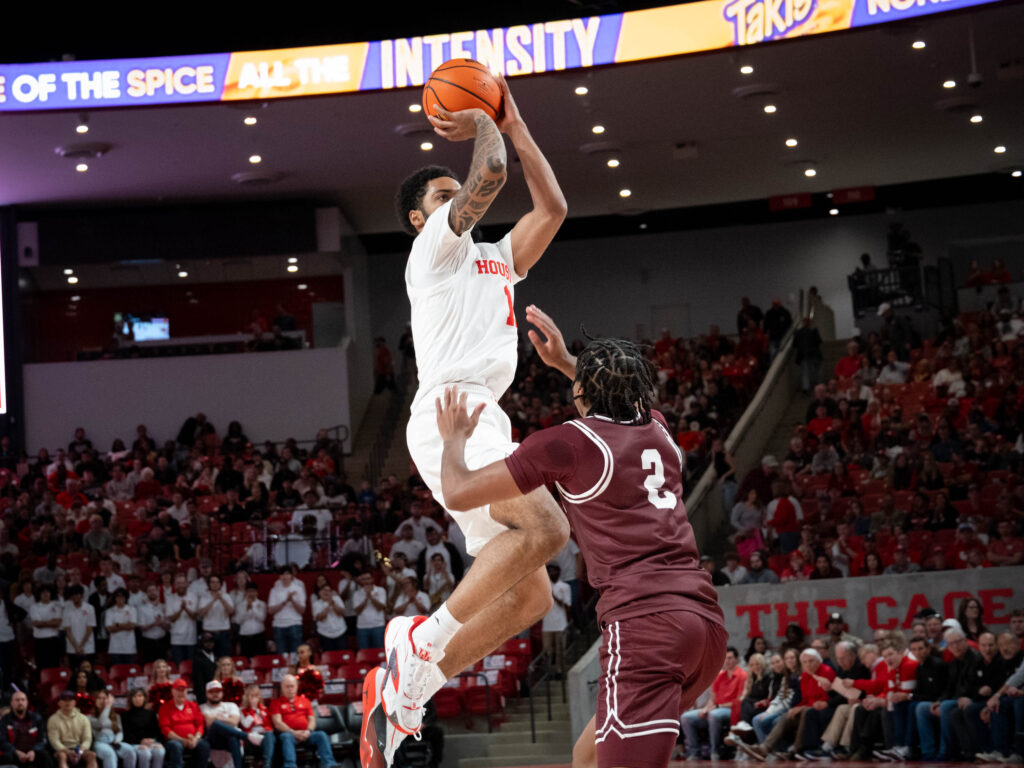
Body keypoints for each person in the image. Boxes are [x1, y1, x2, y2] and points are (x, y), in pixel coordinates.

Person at [371, 306, 726, 768]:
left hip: (646, 627)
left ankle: (424, 646)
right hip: (706, 627)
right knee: (586, 757)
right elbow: (617, 391)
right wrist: (563, 361)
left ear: (581, 391)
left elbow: (458, 492)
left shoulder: (569, 444)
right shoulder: (656, 428)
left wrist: (455, 440)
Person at [367, 72, 569, 765]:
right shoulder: (433, 254)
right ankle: (420, 641)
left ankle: (409, 687)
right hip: (454, 412)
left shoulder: (492, 259)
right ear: (421, 220)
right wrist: (486, 121)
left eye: (458, 197)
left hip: (486, 417)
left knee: (532, 595)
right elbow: (487, 171)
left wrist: (513, 122)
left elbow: (554, 208)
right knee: (548, 526)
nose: (462, 200)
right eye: (443, 197)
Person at [680, 647, 747, 759]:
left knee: (713, 714)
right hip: (716, 708)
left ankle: (714, 751)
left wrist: (716, 707)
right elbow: (712, 698)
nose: (727, 661)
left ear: (736, 659)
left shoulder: (742, 675)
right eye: (725, 658)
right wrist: (706, 708)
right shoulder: (719, 675)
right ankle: (694, 751)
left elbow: (739, 701)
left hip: (731, 709)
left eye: (730, 658)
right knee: (686, 717)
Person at [269, 675, 338, 768]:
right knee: (286, 737)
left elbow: (312, 719)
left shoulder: (305, 701)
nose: (290, 689)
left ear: (297, 687)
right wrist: (293, 732)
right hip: (289, 734)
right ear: (282, 688)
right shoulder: (275, 703)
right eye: (287, 686)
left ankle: (329, 764)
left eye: (292, 686)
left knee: (321, 735)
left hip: (307, 734)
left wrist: (308, 731)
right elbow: (277, 723)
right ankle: (290, 766)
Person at [158, 679, 209, 768]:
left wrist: (196, 738)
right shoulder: (165, 707)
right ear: (172, 691)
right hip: (174, 740)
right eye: (178, 690)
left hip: (193, 739)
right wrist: (182, 740)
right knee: (176, 746)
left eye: (183, 690)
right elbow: (166, 729)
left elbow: (200, 724)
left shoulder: (193, 705)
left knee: (204, 745)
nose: (181, 693)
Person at [1, 690, 55, 768]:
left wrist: (33, 751)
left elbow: (42, 739)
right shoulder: (5, 720)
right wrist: (16, 752)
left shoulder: (37, 718)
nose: (20, 702)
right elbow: (2, 740)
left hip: (33, 753)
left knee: (45, 755)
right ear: (11, 703)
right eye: (17, 700)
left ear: (27, 702)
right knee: (6, 757)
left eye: (23, 700)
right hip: (14, 753)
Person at [200, 681, 248, 768]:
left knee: (232, 737)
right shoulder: (203, 707)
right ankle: (246, 736)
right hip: (214, 740)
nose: (215, 694)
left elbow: (234, 722)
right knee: (216, 724)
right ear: (206, 693)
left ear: (222, 693)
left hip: (230, 740)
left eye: (217, 691)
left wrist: (216, 717)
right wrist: (224, 719)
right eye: (212, 692)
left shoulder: (231, 705)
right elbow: (209, 723)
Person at [48, 690, 98, 768]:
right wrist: (68, 752)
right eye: (64, 700)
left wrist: (80, 751)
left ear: (74, 702)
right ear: (59, 703)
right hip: (63, 750)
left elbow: (87, 739)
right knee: (62, 756)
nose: (68, 702)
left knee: (92, 755)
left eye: (70, 700)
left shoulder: (83, 718)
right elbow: (55, 741)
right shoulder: (53, 719)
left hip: (79, 749)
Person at [121, 688, 166, 768]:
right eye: (134, 696)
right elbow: (126, 735)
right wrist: (140, 742)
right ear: (131, 699)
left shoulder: (151, 714)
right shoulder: (125, 715)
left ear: (144, 698)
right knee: (145, 753)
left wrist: (154, 740)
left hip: (150, 743)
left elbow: (157, 732)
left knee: (160, 751)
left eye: (140, 696)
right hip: (133, 744)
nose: (137, 699)